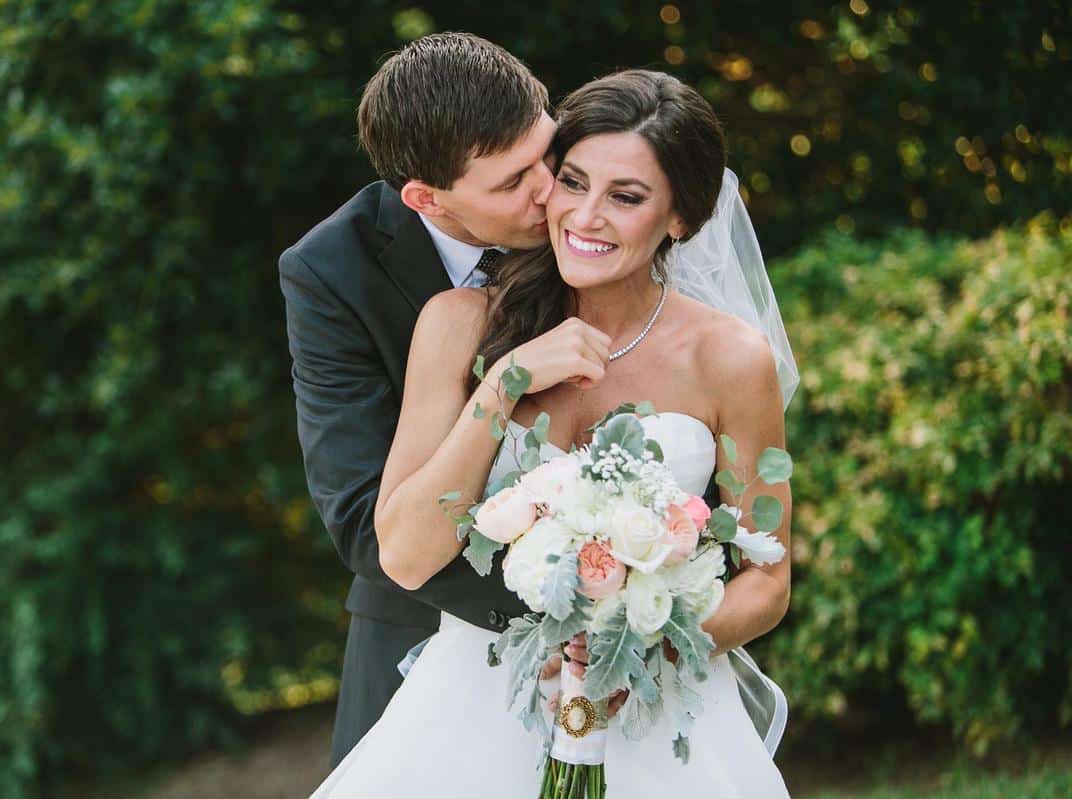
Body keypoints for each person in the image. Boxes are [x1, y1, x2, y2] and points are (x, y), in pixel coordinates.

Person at [308, 68, 797, 797]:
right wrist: (502, 387)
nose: (584, 215)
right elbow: (406, 554)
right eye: (571, 181)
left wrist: (644, 647)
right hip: (472, 710)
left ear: (681, 219)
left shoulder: (731, 358)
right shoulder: (459, 323)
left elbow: (769, 579)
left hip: (656, 718)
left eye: (626, 197)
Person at [278, 32, 557, 766]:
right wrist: (556, 609)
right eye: (511, 182)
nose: (550, 191)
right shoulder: (330, 273)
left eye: (546, 153)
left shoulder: (592, 201)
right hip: (423, 639)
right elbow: (366, 525)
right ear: (425, 198)